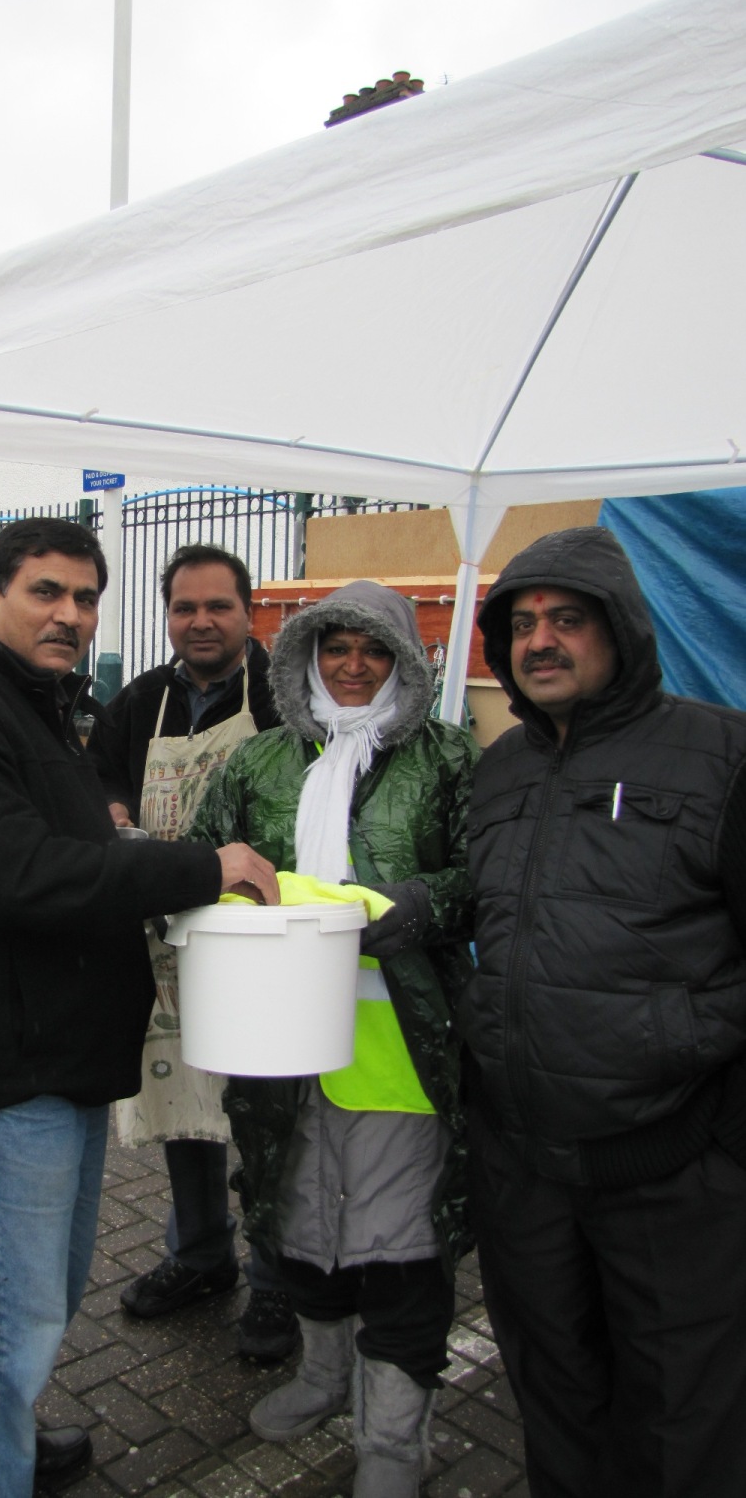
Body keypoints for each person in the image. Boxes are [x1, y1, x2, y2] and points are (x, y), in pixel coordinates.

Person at [0, 517, 278, 1498]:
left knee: (39, 1302)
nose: (69, 614)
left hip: (59, 1063)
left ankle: (4, 1438)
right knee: (1, 1326)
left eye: (86, 598)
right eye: (46, 592)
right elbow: (23, 876)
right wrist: (197, 866)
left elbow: (71, 844)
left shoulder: (48, 705)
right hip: (4, 1076)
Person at [460, 525, 746, 1498]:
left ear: (621, 630)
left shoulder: (720, 756)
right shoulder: (497, 770)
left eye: (568, 620)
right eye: (524, 624)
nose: (541, 640)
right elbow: (490, 909)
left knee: (682, 1427)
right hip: (526, 1174)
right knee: (557, 1406)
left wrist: (726, 1140)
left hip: (671, 1168)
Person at [188, 580, 478, 1497]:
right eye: (335, 648)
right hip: (280, 1042)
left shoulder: (448, 758)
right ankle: (320, 1373)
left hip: (400, 1047)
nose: (353, 666)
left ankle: (394, 1443)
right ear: (306, 656)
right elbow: (204, 856)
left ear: (404, 660)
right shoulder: (258, 762)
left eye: (374, 650)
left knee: (398, 1249)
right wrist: (233, 900)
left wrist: (415, 905)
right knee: (298, 1224)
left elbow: (488, 875)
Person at [88, 543, 296, 1359]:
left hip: (260, 940)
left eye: (217, 606)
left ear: (249, 614)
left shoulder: (283, 699)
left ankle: (278, 1279)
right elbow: (98, 777)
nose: (200, 621)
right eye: (184, 607)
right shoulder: (138, 701)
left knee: (266, 1113)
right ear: (167, 615)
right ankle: (201, 1254)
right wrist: (107, 809)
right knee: (183, 1102)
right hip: (163, 938)